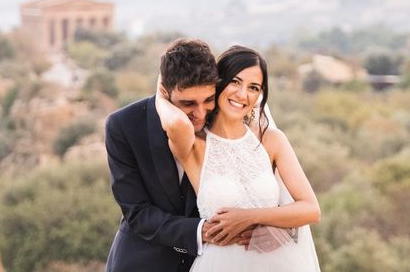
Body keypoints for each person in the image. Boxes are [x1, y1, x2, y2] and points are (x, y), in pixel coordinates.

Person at [156, 44, 322, 271]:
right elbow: (174, 121)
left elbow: (311, 209)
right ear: (218, 82)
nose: (243, 94)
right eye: (235, 81)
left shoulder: (271, 140)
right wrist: (162, 89)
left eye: (253, 87)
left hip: (278, 263)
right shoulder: (195, 144)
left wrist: (250, 217)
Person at [105, 38, 226, 272]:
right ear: (164, 92)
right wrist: (200, 231)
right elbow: (137, 212)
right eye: (188, 103)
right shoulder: (123, 125)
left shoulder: (223, 125)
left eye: (208, 100)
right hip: (139, 263)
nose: (200, 114)